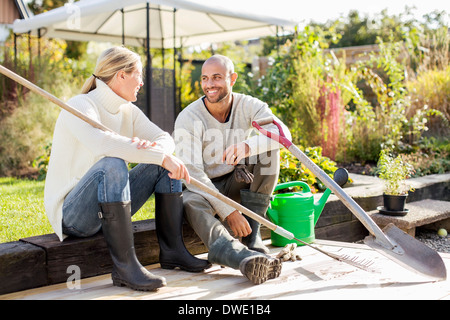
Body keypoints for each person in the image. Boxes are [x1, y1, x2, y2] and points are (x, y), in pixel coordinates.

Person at [44, 47, 210, 292]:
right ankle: (125, 268)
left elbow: (164, 138)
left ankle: (173, 250)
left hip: (106, 209)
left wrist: (159, 153)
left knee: (163, 166)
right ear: (121, 75)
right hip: (73, 215)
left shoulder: (127, 111)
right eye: (139, 75)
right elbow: (102, 143)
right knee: (113, 163)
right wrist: (153, 153)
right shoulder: (79, 105)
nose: (142, 83)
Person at [173, 54, 291, 284]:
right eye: (205, 79)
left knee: (268, 151)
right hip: (203, 187)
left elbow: (283, 135)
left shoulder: (248, 105)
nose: (209, 85)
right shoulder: (188, 118)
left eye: (217, 77)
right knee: (188, 202)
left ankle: (252, 238)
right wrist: (229, 211)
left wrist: (249, 145)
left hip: (236, 179)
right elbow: (194, 175)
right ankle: (235, 255)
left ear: (232, 78)